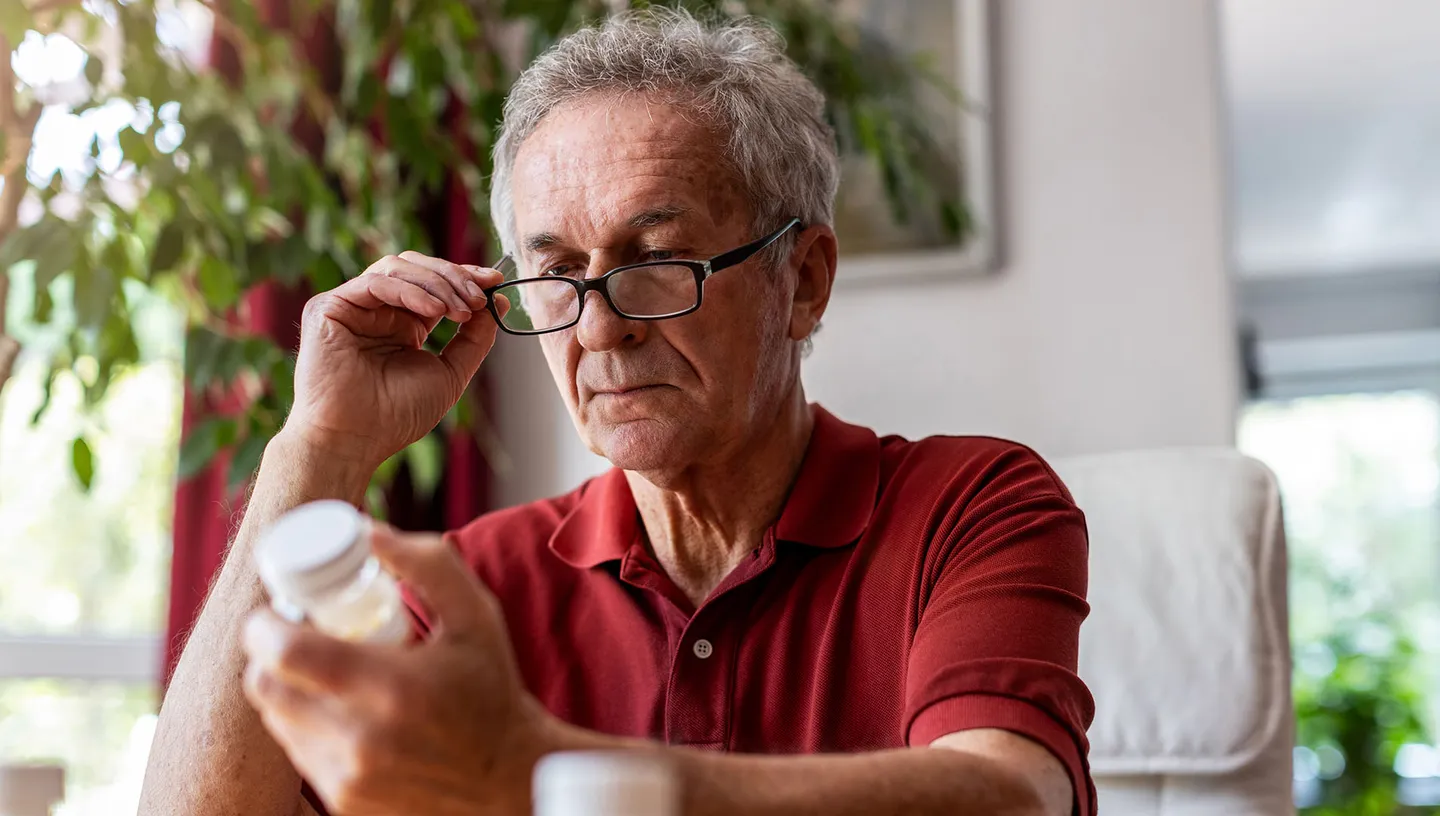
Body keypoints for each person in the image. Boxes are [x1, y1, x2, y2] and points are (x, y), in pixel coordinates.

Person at [139, 9, 1095, 816]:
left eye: (655, 261)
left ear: (802, 282)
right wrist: (322, 446)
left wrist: (540, 774)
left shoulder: (971, 504)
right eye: (557, 274)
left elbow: (1010, 794)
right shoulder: (473, 585)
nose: (598, 328)